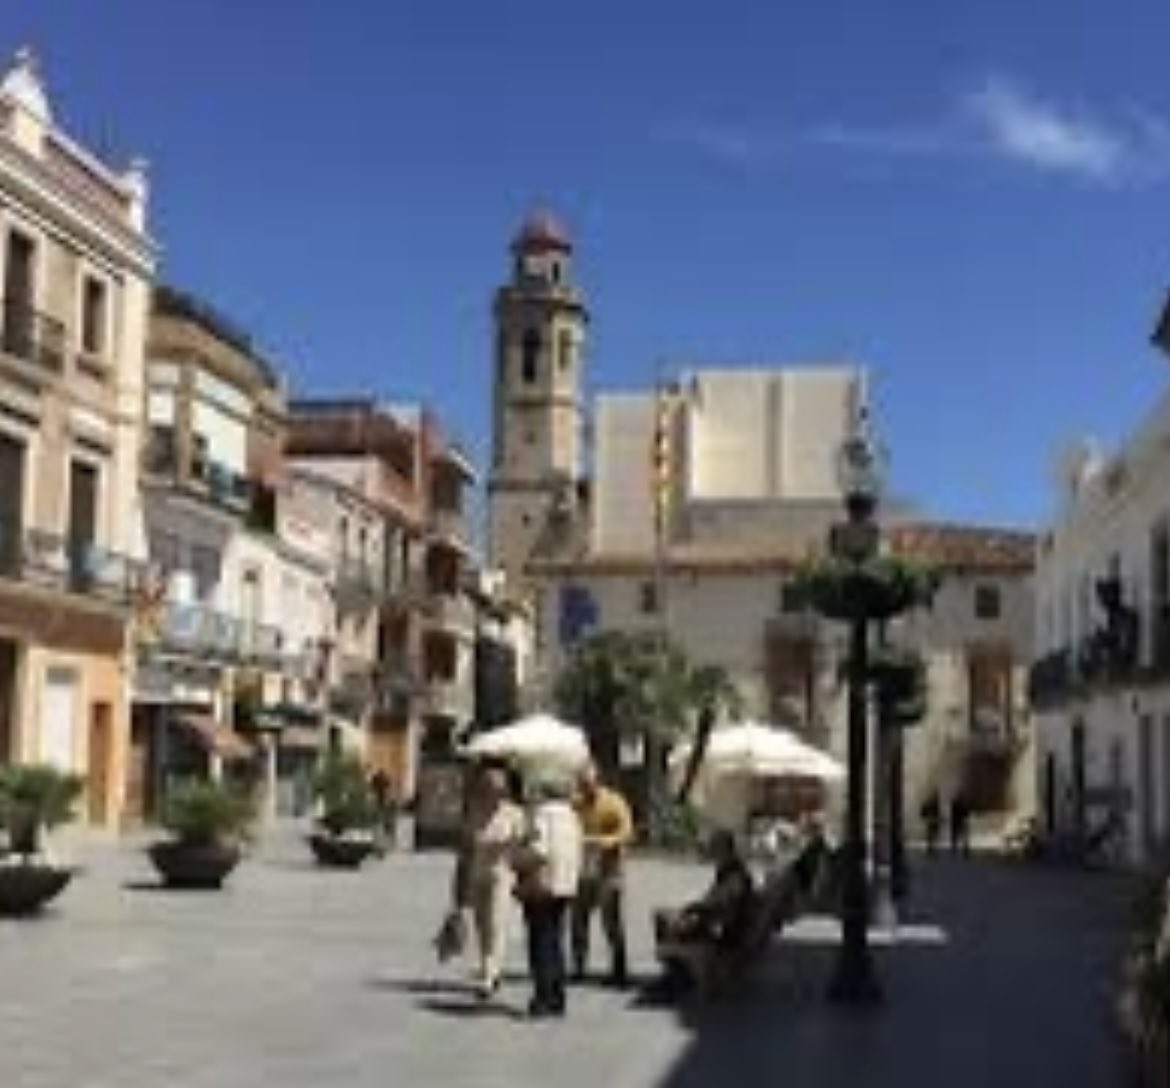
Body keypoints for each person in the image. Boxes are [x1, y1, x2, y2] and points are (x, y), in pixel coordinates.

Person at [513, 771, 583, 1018]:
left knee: (540, 941)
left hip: (542, 885)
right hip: (566, 884)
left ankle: (542, 996)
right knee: (555, 940)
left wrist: (517, 857)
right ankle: (557, 995)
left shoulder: (542, 816)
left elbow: (539, 850)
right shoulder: (572, 816)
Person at [452, 764, 526, 998]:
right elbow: (466, 845)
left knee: (496, 923)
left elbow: (523, 843)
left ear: (503, 790)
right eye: (487, 787)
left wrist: (507, 847)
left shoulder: (514, 813)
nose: (492, 792)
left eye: (496, 788)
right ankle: (488, 965)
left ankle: (490, 975)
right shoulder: (474, 811)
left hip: (502, 874)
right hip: (478, 872)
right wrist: (459, 880)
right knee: (482, 925)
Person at [654, 830, 757, 992]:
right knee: (662, 916)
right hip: (717, 924)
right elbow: (714, 900)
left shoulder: (737, 877)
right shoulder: (727, 871)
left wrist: (692, 913)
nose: (712, 854)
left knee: (666, 922)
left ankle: (678, 976)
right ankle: (676, 974)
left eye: (715, 849)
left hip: (727, 937)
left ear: (726, 850)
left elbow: (720, 906)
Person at [571, 761, 633, 986]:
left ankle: (619, 968)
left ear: (598, 781)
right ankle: (579, 965)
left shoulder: (614, 803)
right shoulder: (576, 804)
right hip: (583, 870)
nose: (585, 789)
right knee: (578, 920)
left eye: (588, 784)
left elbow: (626, 833)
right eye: (581, 784)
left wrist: (600, 841)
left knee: (611, 922)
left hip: (609, 870)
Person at [369, 769, 397, 855]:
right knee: (383, 828)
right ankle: (383, 847)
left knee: (379, 828)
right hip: (382, 812)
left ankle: (380, 847)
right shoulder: (386, 795)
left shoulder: (376, 796)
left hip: (381, 812)